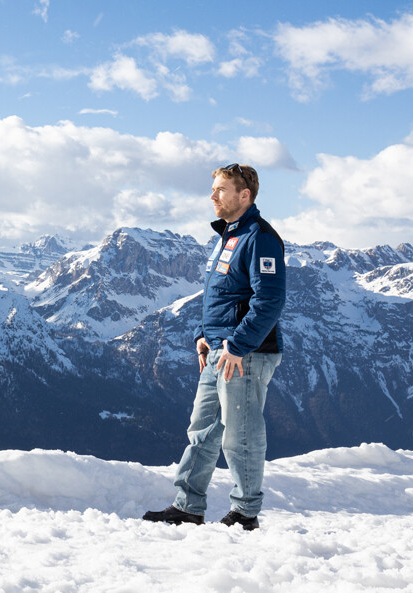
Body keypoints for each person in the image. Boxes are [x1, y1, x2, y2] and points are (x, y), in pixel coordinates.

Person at [143, 163, 286, 531]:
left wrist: (237, 346)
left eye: (220, 190)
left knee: (241, 435)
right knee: (203, 429)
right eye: (213, 189)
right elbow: (219, 295)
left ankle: (245, 513)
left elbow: (269, 300)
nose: (212, 196)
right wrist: (203, 334)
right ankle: (188, 506)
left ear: (244, 195)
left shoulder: (260, 237)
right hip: (221, 349)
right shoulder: (228, 236)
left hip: (245, 354)